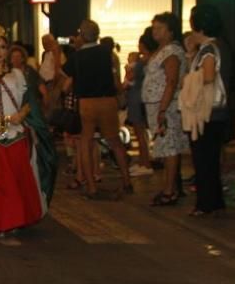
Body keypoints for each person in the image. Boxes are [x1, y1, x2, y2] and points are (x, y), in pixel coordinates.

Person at [0, 24, 55, 235]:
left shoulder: (17, 75)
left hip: (15, 134)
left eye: (1, 47)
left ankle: (15, 219)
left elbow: (30, 102)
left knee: (16, 181)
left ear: (7, 50)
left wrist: (22, 115)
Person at [61, 19, 132, 199]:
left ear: (82, 36)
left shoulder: (77, 56)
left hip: (87, 102)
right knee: (115, 141)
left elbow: (64, 76)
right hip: (107, 100)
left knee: (85, 142)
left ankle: (91, 185)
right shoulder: (106, 52)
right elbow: (115, 77)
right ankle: (126, 180)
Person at [184, 4, 230, 216]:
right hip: (218, 111)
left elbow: (209, 76)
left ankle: (205, 204)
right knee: (210, 160)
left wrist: (191, 79)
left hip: (207, 111)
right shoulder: (222, 45)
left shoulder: (209, 49)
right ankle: (215, 201)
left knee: (203, 160)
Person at [144, 13, 188, 206]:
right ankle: (169, 187)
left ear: (170, 31)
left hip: (166, 106)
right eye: (154, 27)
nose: (155, 31)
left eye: (159, 28)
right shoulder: (161, 50)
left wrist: (162, 109)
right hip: (157, 104)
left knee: (170, 147)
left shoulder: (171, 52)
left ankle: (170, 190)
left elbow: (171, 81)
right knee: (165, 146)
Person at [124, 29, 157, 177]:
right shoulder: (152, 59)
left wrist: (129, 68)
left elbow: (128, 80)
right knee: (141, 132)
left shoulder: (142, 62)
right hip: (143, 98)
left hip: (136, 99)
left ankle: (145, 162)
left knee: (139, 132)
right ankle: (144, 161)